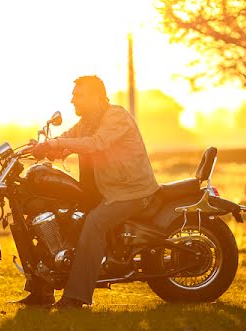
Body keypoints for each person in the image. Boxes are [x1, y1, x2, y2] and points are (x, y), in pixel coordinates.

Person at [25, 75, 160, 309]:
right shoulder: (87, 122)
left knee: (95, 222)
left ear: (97, 97)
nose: (72, 100)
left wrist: (58, 145)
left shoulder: (115, 117)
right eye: (73, 95)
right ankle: (41, 291)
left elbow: (96, 143)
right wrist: (43, 147)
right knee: (50, 212)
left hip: (129, 191)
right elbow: (68, 139)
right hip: (103, 190)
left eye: (78, 95)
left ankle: (76, 297)